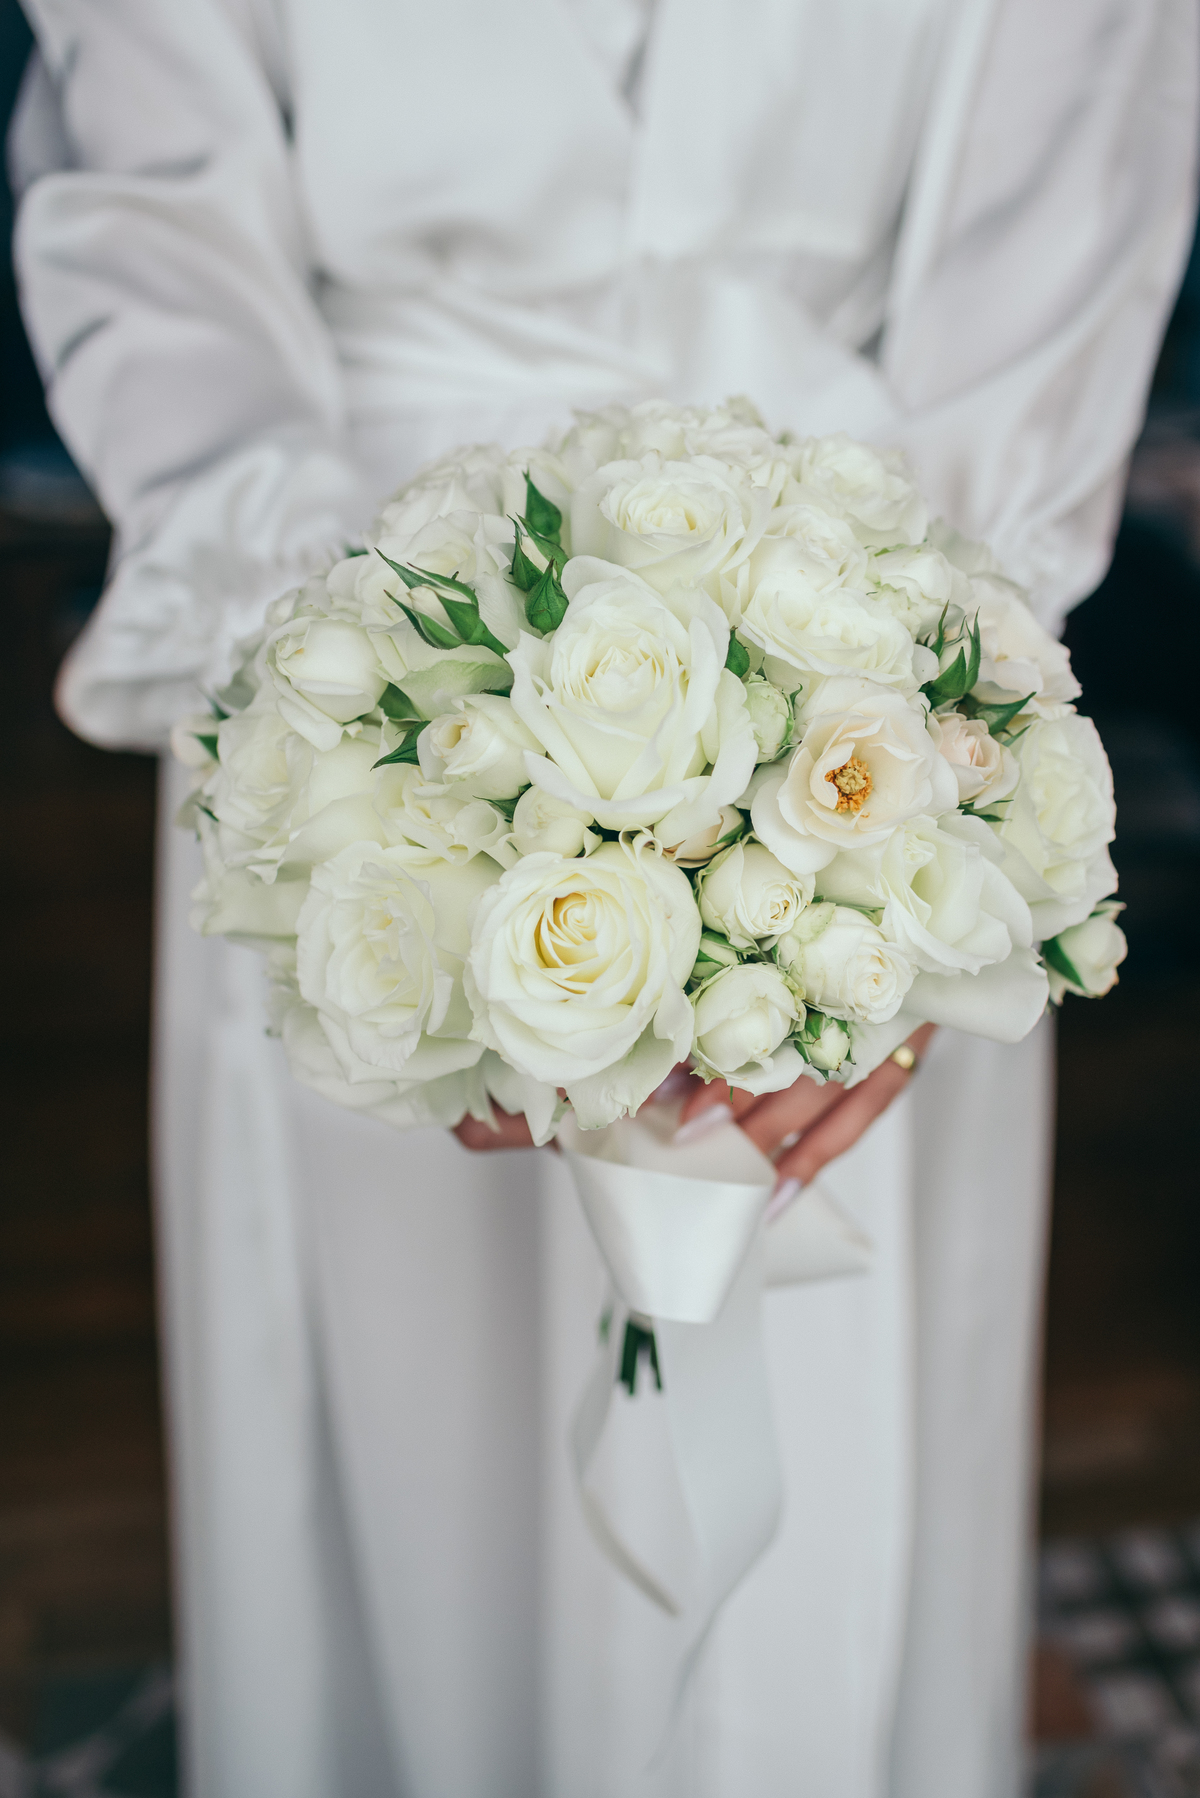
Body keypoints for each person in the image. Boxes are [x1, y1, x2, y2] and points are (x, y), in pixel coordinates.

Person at [10, 3, 1196, 1794]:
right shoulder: (352, 689)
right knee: (406, 1450)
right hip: (356, 664)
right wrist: (371, 718)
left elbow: (1055, 235)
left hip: (857, 672)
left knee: (814, 1469)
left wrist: (914, 775)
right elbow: (157, 234)